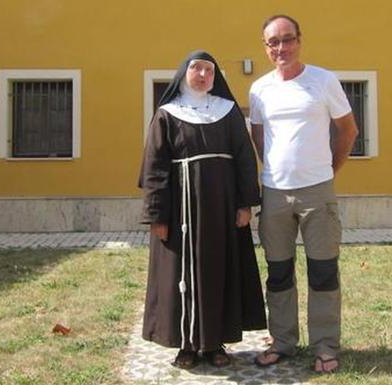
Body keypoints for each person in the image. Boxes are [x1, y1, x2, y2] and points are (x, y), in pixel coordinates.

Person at [138, 50, 267, 369]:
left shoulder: (228, 111)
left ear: (215, 77)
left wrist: (244, 203)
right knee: (179, 275)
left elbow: (245, 159)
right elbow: (154, 166)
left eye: (209, 70)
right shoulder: (167, 113)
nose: (202, 74)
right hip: (179, 210)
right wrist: (157, 215)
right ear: (184, 73)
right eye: (196, 68)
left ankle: (214, 344)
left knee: (219, 270)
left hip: (222, 209)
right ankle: (184, 344)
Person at [249, 15, 359, 374]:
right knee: (279, 272)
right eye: (273, 42)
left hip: (317, 193)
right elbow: (259, 138)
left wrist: (327, 171)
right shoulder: (260, 89)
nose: (281, 48)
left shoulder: (323, 81)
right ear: (265, 47)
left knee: (323, 271)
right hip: (275, 194)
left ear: (299, 40)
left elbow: (348, 131)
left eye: (287, 39)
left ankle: (325, 346)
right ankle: (282, 342)